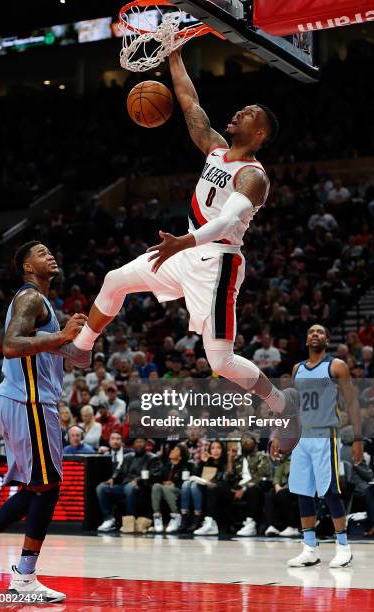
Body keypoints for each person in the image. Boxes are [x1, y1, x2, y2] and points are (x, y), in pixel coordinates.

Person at [55, 48, 298, 426]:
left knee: (220, 360)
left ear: (260, 133)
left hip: (218, 262)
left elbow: (227, 221)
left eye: (249, 113)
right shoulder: (216, 149)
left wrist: (184, 242)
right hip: (183, 249)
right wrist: (174, 55)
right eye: (242, 109)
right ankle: (83, 346)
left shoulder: (254, 176)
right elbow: (189, 103)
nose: (239, 112)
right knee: (114, 280)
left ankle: (282, 402)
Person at [0, 241, 86, 602]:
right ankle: (24, 577)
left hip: (26, 402)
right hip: (29, 403)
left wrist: (73, 342)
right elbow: (10, 345)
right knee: (46, 487)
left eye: (49, 250)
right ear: (27, 267)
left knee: (37, 487)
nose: (49, 254)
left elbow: (62, 351)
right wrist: (62, 336)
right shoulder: (31, 298)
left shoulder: (42, 304)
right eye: (40, 252)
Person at [271, 324, 363, 568]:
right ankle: (309, 548)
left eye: (320, 332)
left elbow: (352, 402)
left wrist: (358, 439)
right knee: (302, 491)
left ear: (327, 339)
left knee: (331, 490)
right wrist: (280, 435)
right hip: (303, 438)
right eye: (310, 331)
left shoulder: (336, 366)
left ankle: (344, 547)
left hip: (326, 435)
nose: (314, 334)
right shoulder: (297, 369)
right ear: (306, 340)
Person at [227, 432, 271, 536]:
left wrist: (243, 489)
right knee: (221, 488)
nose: (245, 442)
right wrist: (230, 460)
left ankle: (250, 523)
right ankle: (219, 523)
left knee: (253, 489)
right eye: (243, 441)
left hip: (255, 488)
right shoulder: (238, 459)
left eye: (248, 440)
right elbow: (230, 478)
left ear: (255, 443)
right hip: (238, 488)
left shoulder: (262, 456)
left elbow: (260, 476)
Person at [152, 444, 192, 534]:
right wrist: (163, 482)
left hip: (179, 490)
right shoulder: (166, 466)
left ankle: (176, 516)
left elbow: (185, 482)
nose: (172, 451)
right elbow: (159, 479)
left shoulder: (184, 467)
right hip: (166, 489)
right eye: (173, 449)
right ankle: (157, 517)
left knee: (167, 488)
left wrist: (174, 483)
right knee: (156, 486)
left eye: (176, 450)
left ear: (180, 457)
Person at [97, 431, 130, 532]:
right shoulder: (104, 454)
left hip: (124, 484)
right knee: (101, 488)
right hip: (110, 485)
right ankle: (109, 519)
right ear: (109, 441)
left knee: (129, 489)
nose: (115, 441)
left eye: (118, 439)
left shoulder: (129, 453)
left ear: (122, 442)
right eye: (113, 438)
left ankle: (128, 520)